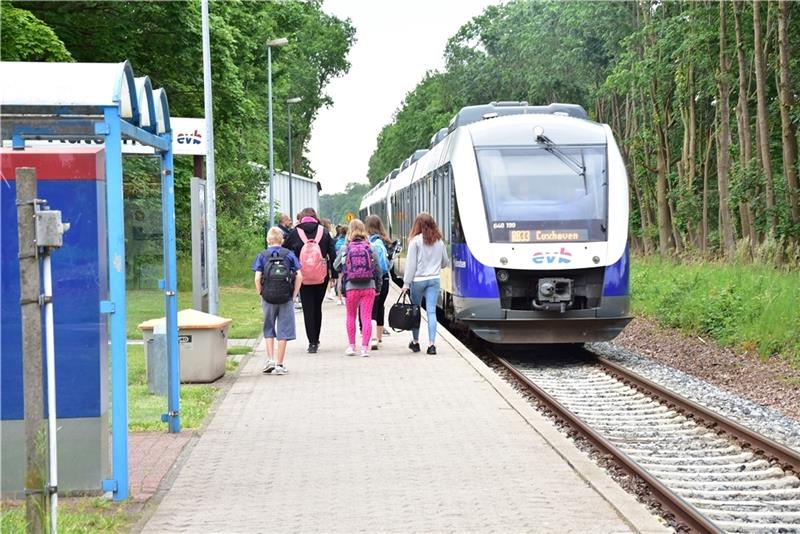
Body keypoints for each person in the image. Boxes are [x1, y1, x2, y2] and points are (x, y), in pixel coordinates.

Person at [284, 207, 337, 353]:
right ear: (315, 217)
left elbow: (285, 250)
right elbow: (333, 254)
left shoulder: (295, 233)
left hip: (302, 276)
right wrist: (334, 275)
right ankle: (317, 338)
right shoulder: (324, 232)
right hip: (322, 276)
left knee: (308, 308)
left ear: (301, 218)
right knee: (317, 307)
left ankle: (311, 342)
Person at [253, 227, 302, 374]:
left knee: (269, 327)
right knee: (284, 329)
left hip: (268, 297)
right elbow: (299, 276)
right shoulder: (289, 255)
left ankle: (270, 360)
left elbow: (257, 277)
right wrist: (294, 295)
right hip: (286, 296)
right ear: (282, 240)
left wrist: (261, 293)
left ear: (268, 240)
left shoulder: (262, 255)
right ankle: (280, 364)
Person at [401, 212, 450, 355]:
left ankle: (415, 342)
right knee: (431, 311)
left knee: (416, 311)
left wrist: (406, 283)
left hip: (418, 280)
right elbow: (445, 262)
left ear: (417, 225)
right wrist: (434, 266)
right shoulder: (439, 241)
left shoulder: (415, 241)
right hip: (434, 280)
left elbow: (411, 265)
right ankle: (432, 345)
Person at [333, 219, 382, 357]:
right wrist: (378, 287)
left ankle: (352, 346)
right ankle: (365, 349)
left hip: (351, 287)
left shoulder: (345, 248)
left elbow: (336, 266)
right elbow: (378, 270)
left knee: (351, 316)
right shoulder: (370, 247)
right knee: (366, 317)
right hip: (369, 287)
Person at [364, 214, 392, 350]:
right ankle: (379, 337)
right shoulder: (385, 242)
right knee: (380, 307)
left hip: (371, 280)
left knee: (371, 309)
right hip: (384, 279)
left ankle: (373, 337)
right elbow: (387, 265)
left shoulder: (366, 242)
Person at [333, 225, 347, 305]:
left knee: (340, 280)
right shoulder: (347, 241)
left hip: (340, 263)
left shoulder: (338, 241)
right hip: (346, 264)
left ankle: (339, 298)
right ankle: (344, 296)